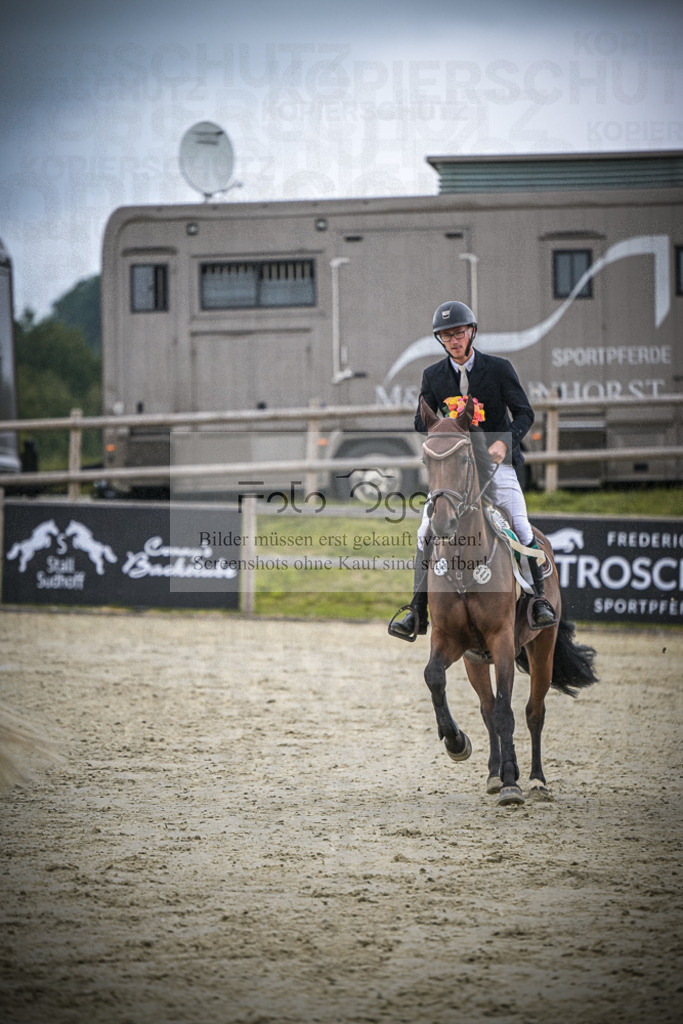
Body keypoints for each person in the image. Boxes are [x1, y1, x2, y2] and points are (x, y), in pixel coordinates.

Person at [388, 299, 557, 640]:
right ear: (441, 340)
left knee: (521, 525)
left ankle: (538, 600)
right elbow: (421, 421)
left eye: (459, 333)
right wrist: (437, 424)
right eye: (446, 335)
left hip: (497, 465)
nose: (453, 340)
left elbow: (525, 413)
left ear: (472, 333)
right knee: (424, 531)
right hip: (456, 471)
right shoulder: (433, 376)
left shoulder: (498, 369)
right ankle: (416, 611)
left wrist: (505, 442)